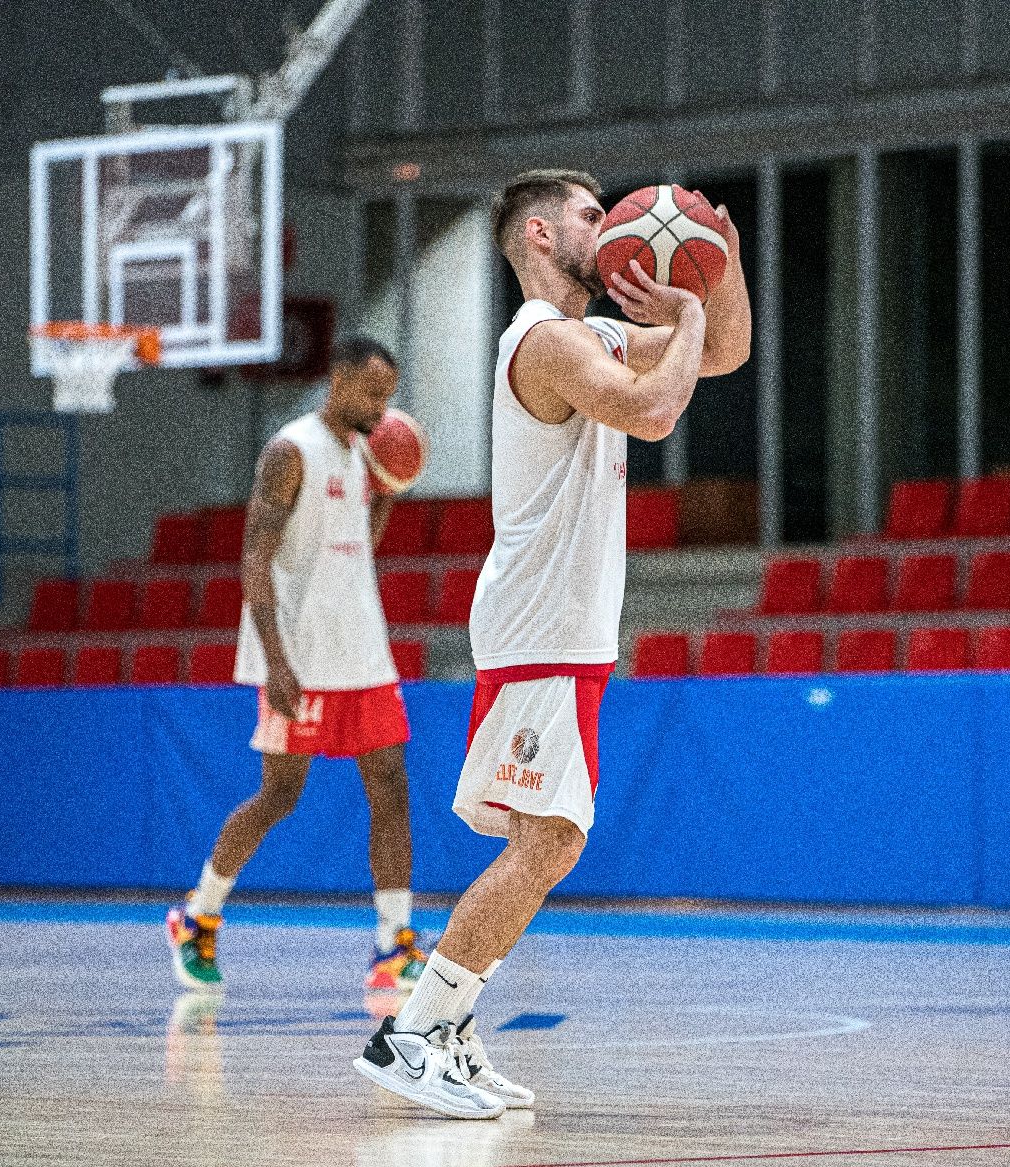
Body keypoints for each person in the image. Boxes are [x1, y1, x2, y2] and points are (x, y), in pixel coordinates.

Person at [352, 170, 751, 1119]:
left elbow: (724, 352)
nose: (607, 222)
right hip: (540, 623)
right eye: (587, 212)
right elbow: (654, 411)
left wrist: (718, 270)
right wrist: (688, 315)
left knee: (552, 841)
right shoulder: (541, 341)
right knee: (550, 839)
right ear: (538, 233)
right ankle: (413, 1031)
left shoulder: (593, 335)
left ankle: (442, 1024)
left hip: (562, 624)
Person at [167, 336, 428, 995]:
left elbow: (350, 552)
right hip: (302, 656)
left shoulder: (362, 450)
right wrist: (275, 661)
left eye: (389, 395)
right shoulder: (291, 449)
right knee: (280, 794)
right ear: (338, 379)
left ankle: (394, 942)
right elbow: (255, 557)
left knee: (391, 785)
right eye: (372, 391)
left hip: (362, 649)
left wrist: (387, 499)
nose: (381, 405)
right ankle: (197, 915)